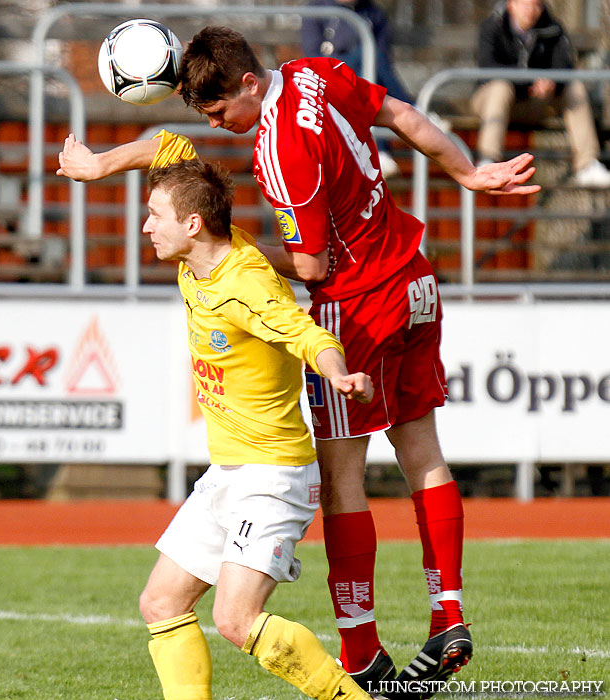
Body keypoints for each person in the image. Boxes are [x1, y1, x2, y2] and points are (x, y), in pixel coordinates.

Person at [176, 26, 541, 700]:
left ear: (250, 84)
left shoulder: (281, 146)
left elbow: (312, 264)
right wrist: (468, 172)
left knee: (342, 475)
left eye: (219, 109)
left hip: (358, 304)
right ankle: (447, 617)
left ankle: (360, 651)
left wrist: (241, 257)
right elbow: (402, 116)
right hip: (416, 280)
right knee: (423, 451)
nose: (217, 124)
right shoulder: (314, 71)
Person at [140, 144, 380, 699]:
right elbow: (168, 147)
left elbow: (307, 334)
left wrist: (338, 374)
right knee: (161, 602)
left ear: (193, 224)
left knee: (235, 621)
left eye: (155, 214)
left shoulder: (246, 280)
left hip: (272, 479)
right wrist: (100, 164)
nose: (146, 224)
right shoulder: (197, 257)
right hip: (229, 473)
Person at [471, 0, 610, 188]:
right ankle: (488, 160)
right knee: (500, 87)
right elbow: (488, 67)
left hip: (537, 102)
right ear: (511, 5)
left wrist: (551, 83)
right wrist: (531, 80)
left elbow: (565, 66)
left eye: (536, 5)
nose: (531, 10)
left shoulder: (553, 27)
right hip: (492, 102)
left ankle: (588, 164)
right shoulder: (492, 26)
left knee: (574, 88)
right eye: (525, 4)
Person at [301, 0, 413, 178]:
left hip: (366, 78)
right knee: (367, 54)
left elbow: (384, 61)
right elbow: (313, 56)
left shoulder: (374, 13)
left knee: (369, 64)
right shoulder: (316, 9)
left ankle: (380, 150)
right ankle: (413, 110)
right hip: (327, 75)